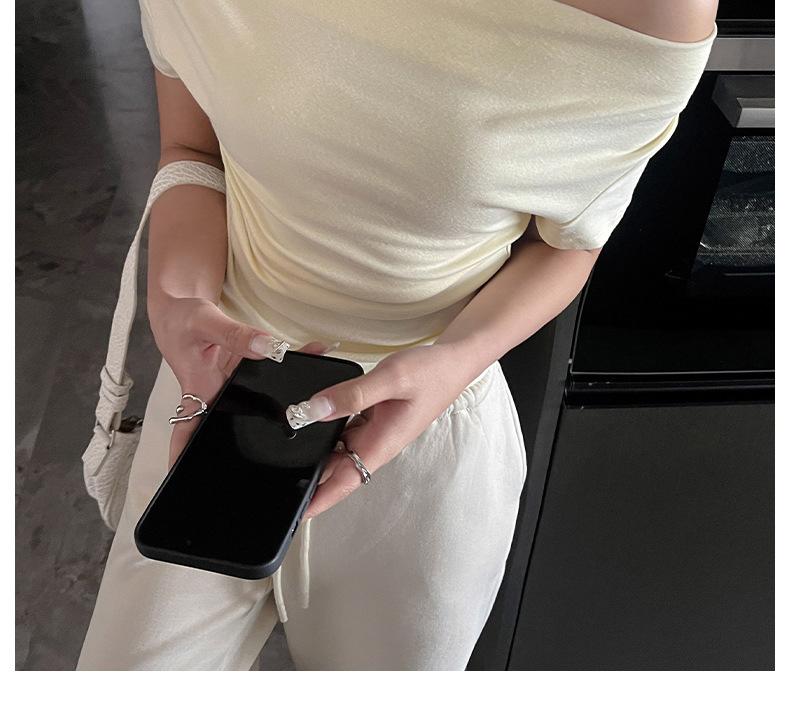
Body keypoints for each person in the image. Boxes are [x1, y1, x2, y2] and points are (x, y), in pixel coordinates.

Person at [77, 0, 717, 670]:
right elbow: (193, 149)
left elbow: (569, 241)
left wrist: (455, 363)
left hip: (426, 444)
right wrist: (178, 298)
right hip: (214, 392)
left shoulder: (654, 8)